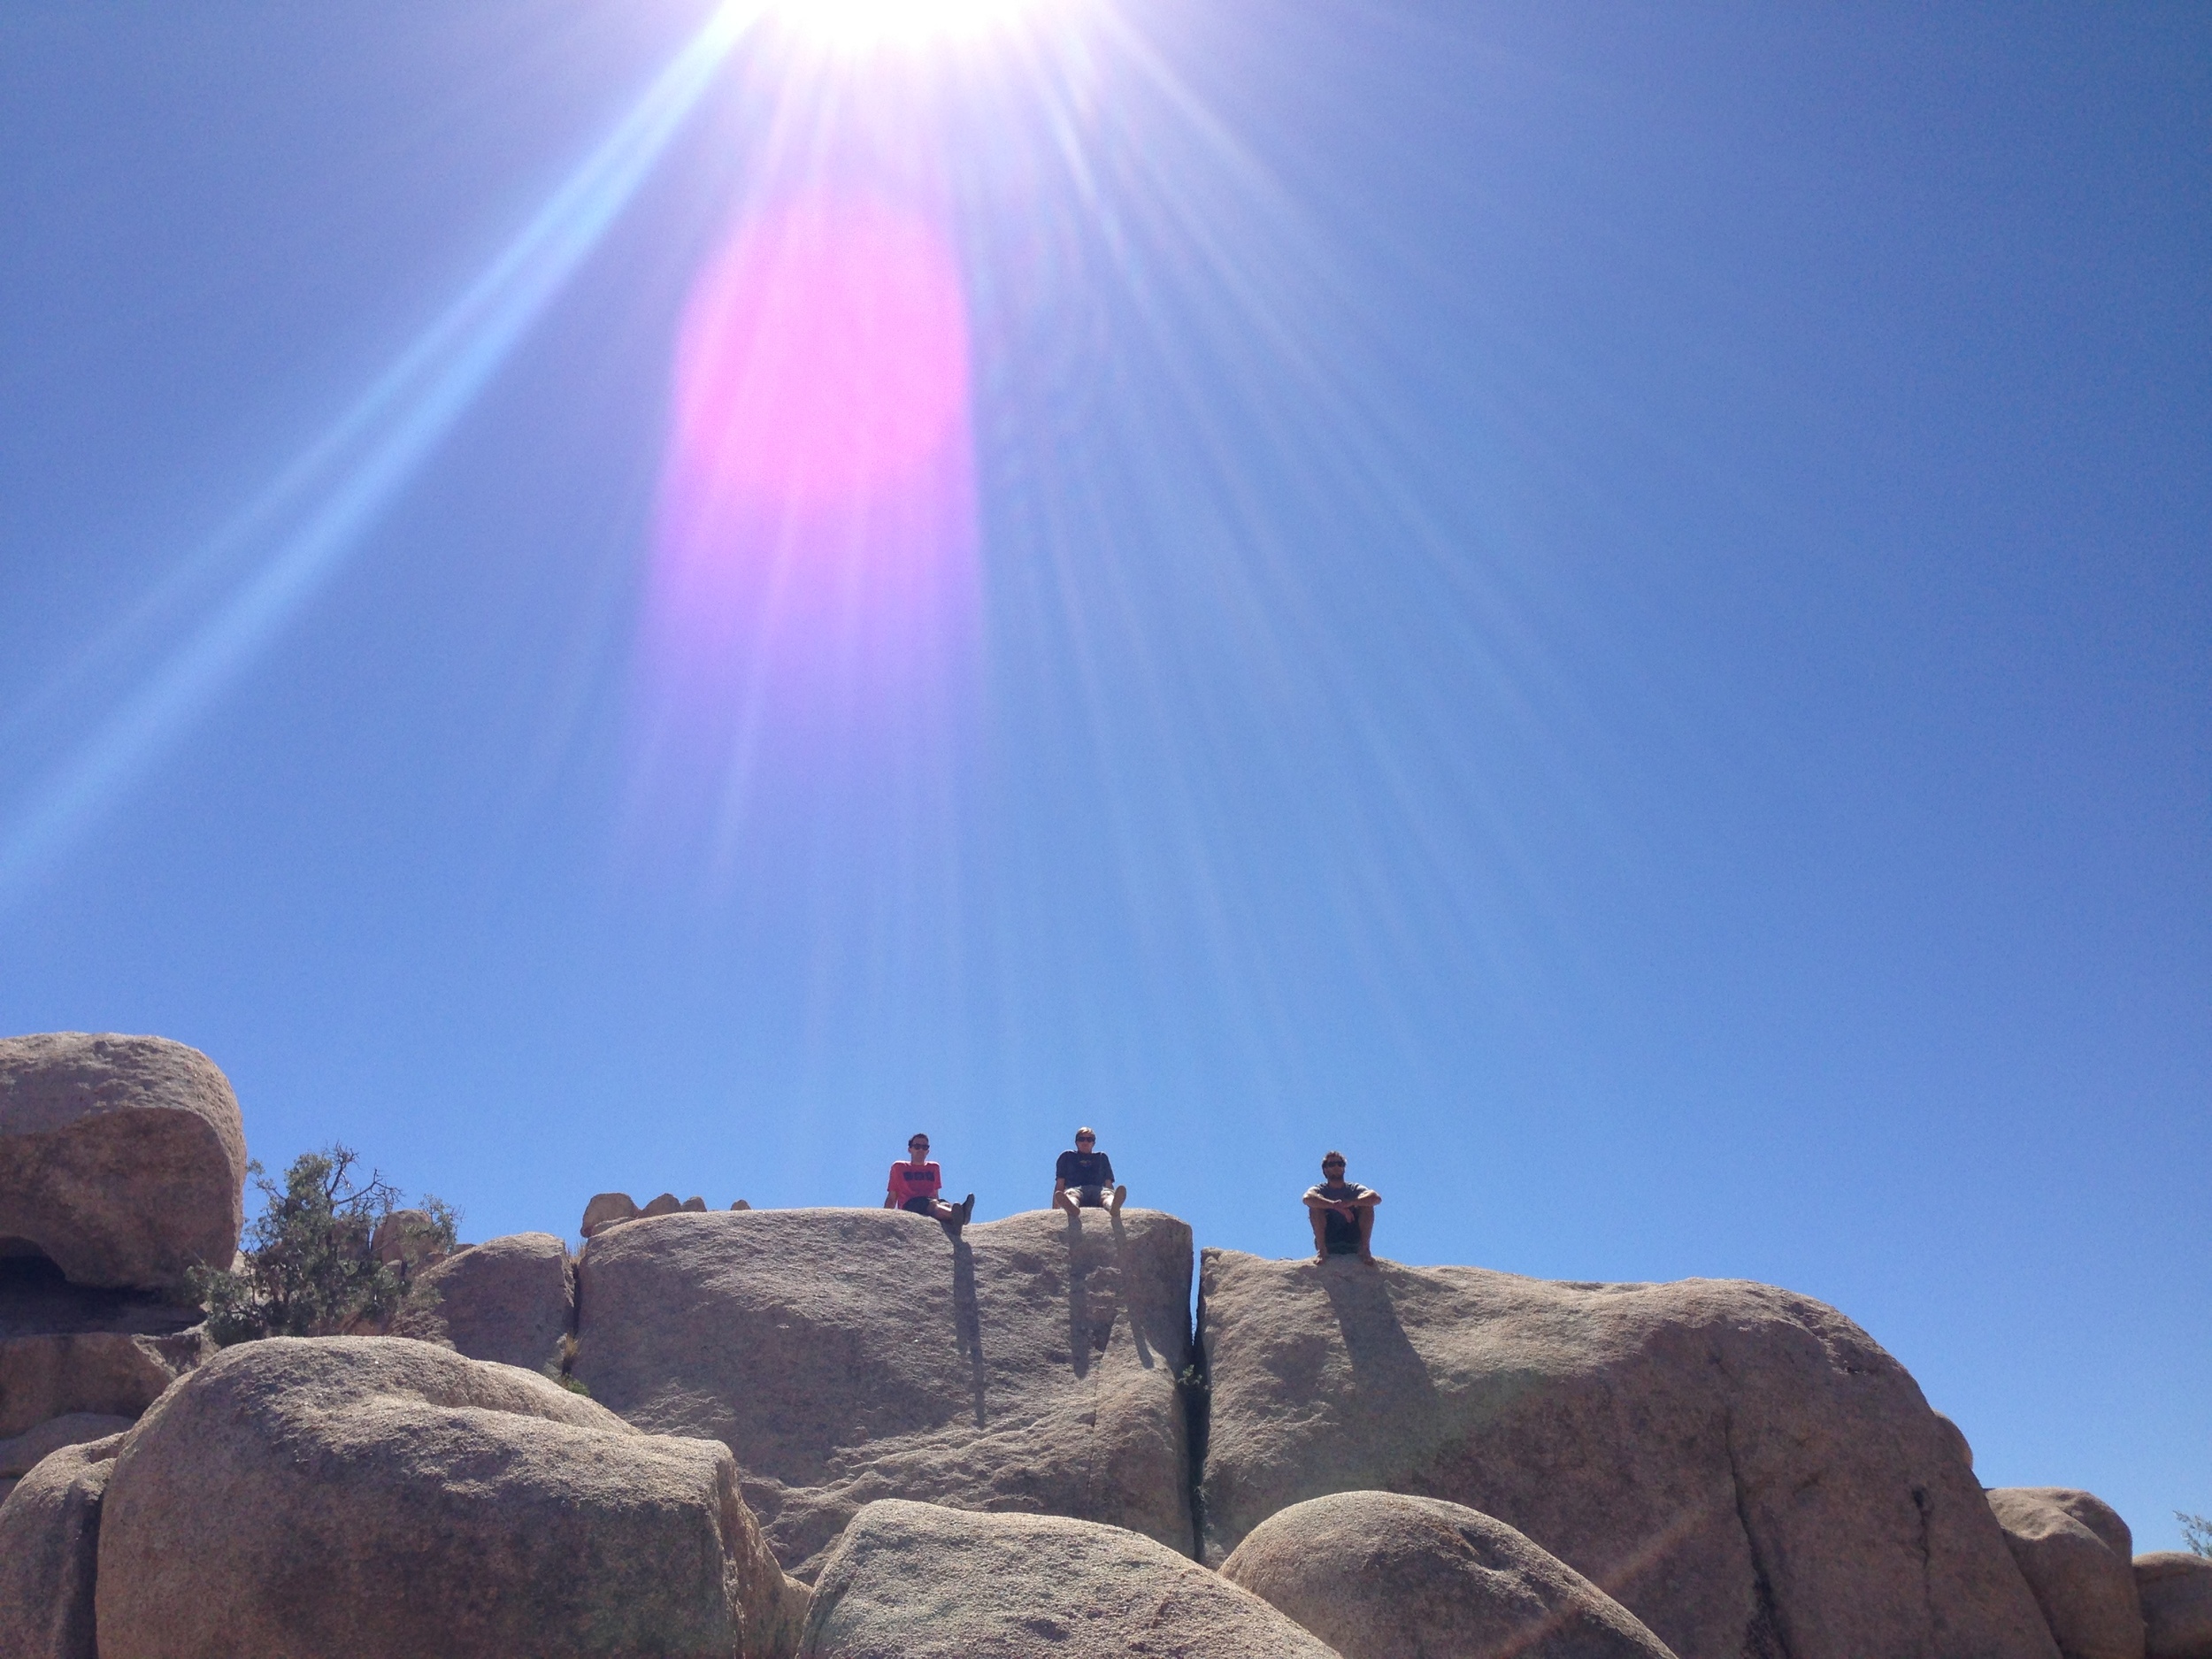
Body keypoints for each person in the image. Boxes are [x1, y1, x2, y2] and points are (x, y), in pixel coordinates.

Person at [885, 1134, 973, 1233]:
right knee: (930, 1204)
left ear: (928, 1151)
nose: (921, 1150)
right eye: (917, 1146)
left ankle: (955, 1216)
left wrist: (941, 1203)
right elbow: (892, 1197)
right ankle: (959, 1214)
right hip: (910, 1205)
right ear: (910, 1149)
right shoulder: (899, 1167)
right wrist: (886, 1219)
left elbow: (935, 1194)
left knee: (943, 1204)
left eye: (924, 1147)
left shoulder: (934, 1167)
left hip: (931, 1203)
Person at [1302, 1150, 1379, 1263]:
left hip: (1352, 1236)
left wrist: (1351, 1202)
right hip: (1330, 1239)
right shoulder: (1321, 1189)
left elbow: (1375, 1197)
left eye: (1340, 1164)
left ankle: (1365, 1250)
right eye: (1332, 1164)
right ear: (1325, 1169)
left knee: (1367, 1205)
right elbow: (1307, 1198)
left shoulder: (1353, 1188)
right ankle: (1322, 1251)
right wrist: (1334, 1206)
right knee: (1315, 1207)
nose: (1336, 1167)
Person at [1052, 1126, 1125, 1217]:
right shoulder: (1067, 1156)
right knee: (1071, 1196)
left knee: (1107, 1195)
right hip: (1075, 1190)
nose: (1085, 1142)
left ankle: (1112, 1207)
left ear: (1093, 1143)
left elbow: (1108, 1185)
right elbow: (1060, 1185)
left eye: (1089, 1139)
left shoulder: (1101, 1157)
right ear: (1076, 1142)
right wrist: (1054, 1211)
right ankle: (1072, 1208)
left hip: (1098, 1191)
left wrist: (1112, 1194)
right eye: (1081, 1139)